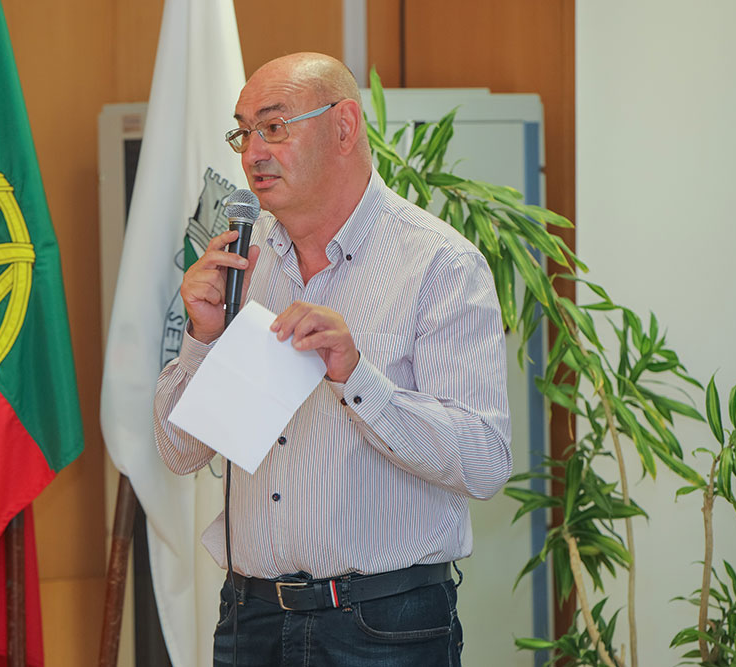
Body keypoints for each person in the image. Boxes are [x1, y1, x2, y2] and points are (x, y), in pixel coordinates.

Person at [153, 52, 512, 666]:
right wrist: (201, 337)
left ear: (344, 127)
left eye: (274, 127)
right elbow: (179, 451)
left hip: (384, 626)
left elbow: (484, 460)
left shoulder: (439, 266)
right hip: (250, 618)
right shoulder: (244, 263)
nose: (252, 154)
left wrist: (356, 376)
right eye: (244, 132)